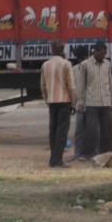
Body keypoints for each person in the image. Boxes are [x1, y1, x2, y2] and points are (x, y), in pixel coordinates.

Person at [40, 39, 77, 168]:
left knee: (53, 130)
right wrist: (74, 103)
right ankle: (57, 160)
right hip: (64, 101)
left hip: (52, 101)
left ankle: (53, 159)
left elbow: (43, 86)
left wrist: (47, 100)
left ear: (52, 50)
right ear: (62, 50)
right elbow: (71, 86)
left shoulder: (45, 65)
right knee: (62, 130)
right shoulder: (66, 64)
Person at [77, 41, 112, 159]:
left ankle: (106, 154)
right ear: (94, 51)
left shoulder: (107, 64)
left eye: (105, 54)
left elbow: (110, 82)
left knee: (108, 129)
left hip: (105, 102)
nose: (103, 56)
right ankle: (87, 154)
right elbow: (81, 85)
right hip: (91, 102)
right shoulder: (85, 65)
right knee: (91, 130)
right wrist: (80, 101)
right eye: (101, 53)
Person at [68, 45, 91, 161]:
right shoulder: (76, 69)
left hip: (86, 105)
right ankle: (83, 154)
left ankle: (80, 154)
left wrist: (73, 104)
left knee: (80, 131)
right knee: (88, 131)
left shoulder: (75, 69)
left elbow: (72, 88)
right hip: (88, 105)